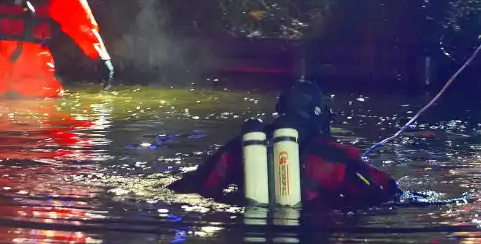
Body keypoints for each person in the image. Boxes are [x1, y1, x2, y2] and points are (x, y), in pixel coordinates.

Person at [169, 81, 402, 209]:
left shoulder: (242, 146)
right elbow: (381, 193)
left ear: (280, 109)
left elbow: (197, 186)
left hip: (253, 237)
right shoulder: (337, 157)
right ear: (320, 116)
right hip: (312, 233)